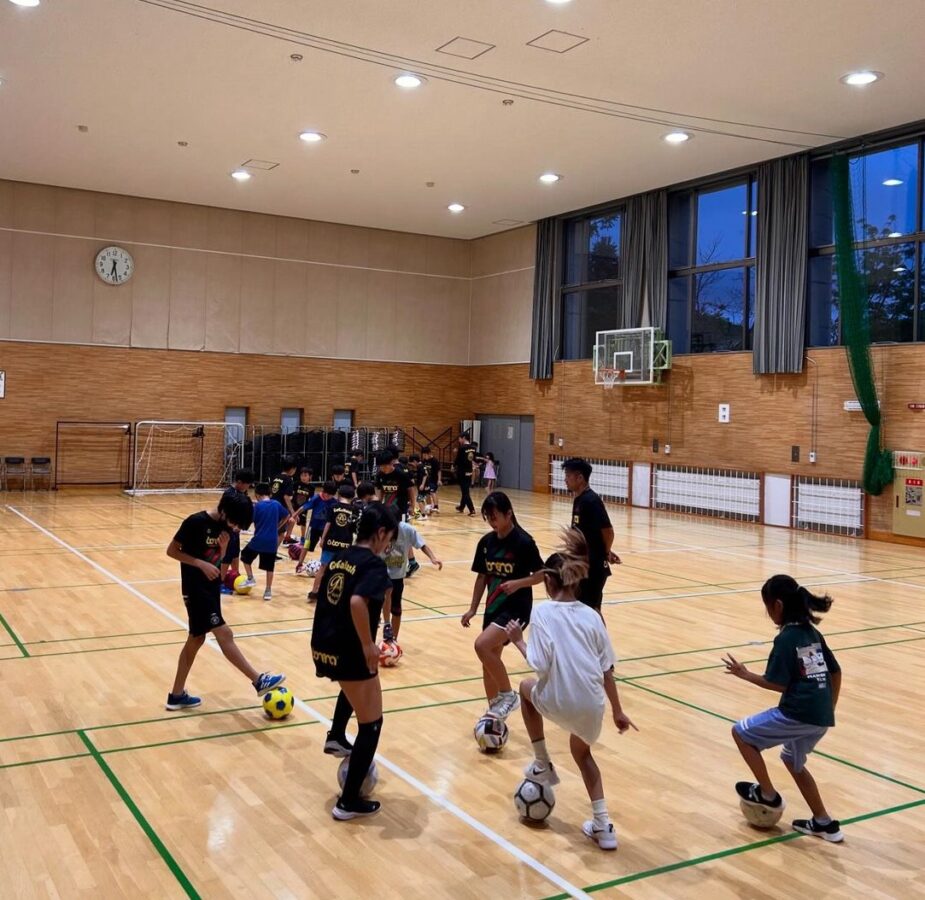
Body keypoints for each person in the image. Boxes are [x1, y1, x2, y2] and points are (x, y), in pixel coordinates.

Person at [504, 529, 637, 851]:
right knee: (583, 754)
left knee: (525, 688)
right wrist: (618, 711)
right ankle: (603, 826)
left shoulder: (542, 612)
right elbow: (607, 669)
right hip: (593, 707)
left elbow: (539, 664)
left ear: (549, 582)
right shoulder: (593, 616)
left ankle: (542, 762)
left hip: (559, 700)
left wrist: (518, 640)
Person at [724, 575, 843, 842]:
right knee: (792, 761)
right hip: (820, 716)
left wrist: (745, 674)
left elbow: (777, 683)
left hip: (798, 713)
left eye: (767, 607)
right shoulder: (811, 633)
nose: (768, 613)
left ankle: (768, 795)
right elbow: (836, 672)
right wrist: (829, 707)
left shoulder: (787, 638)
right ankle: (824, 823)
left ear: (777, 605)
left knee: (740, 733)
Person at [311, 503, 399, 819]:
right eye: (389, 539)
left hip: (323, 645)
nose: (388, 546)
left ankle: (336, 736)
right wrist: (367, 645)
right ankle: (348, 802)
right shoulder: (372, 564)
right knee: (372, 724)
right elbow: (357, 601)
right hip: (349, 649)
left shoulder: (340, 557)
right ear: (380, 533)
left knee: (352, 690)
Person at [165, 491, 284, 710]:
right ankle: (258, 680)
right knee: (224, 633)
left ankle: (176, 695)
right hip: (195, 589)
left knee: (196, 639)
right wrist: (199, 563)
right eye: (235, 522)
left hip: (210, 590)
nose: (236, 527)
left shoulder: (226, 530)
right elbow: (171, 551)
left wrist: (223, 550)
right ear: (224, 511)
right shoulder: (195, 522)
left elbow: (218, 571)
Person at [461, 491, 543, 719]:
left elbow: (542, 575)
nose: (491, 522)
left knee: (481, 646)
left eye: (495, 516)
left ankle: (508, 695)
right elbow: (482, 577)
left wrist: (518, 583)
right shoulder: (486, 543)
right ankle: (495, 713)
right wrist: (473, 608)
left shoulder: (524, 542)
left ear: (509, 514)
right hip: (493, 608)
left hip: (517, 609)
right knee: (489, 662)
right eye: (488, 517)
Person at [562, 458, 621, 611]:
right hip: (582, 564)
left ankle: (599, 629)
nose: (565, 480)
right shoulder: (579, 499)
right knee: (587, 609)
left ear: (580, 478)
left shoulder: (591, 501)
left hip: (593, 567)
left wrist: (604, 553)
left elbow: (608, 532)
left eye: (568, 476)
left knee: (591, 610)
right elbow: (592, 534)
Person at [382, 522, 443, 642]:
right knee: (381, 600)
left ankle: (393, 640)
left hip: (398, 576)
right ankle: (386, 625)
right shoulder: (380, 528)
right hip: (381, 574)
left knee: (396, 609)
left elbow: (422, 544)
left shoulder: (407, 530)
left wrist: (432, 557)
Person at [307, 482, 357, 603]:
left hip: (330, 542)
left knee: (323, 568)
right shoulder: (354, 510)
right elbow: (354, 529)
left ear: (339, 495)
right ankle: (339, 595)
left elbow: (328, 524)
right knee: (343, 570)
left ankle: (314, 592)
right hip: (345, 544)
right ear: (352, 497)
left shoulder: (333, 507)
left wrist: (323, 539)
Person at [240, 483, 291, 601]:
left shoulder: (257, 507)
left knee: (245, 556)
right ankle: (268, 591)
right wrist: (278, 527)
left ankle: (250, 578)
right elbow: (287, 516)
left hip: (259, 539)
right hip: (272, 540)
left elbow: (249, 521)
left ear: (257, 495)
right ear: (270, 494)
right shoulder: (276, 504)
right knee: (269, 567)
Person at [220, 468, 255, 594]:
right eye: (247, 485)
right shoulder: (230, 494)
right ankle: (220, 582)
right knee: (227, 556)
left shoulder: (242, 493)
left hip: (235, 531)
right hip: (227, 530)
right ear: (239, 482)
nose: (248, 487)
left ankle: (235, 576)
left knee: (235, 554)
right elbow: (223, 513)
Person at [294, 480, 337, 570]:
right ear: (323, 491)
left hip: (326, 529)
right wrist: (294, 515)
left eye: (330, 495)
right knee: (306, 545)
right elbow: (303, 507)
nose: (327, 496)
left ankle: (324, 567)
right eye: (326, 494)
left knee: (325, 547)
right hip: (313, 527)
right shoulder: (316, 498)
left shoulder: (334, 502)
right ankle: (300, 563)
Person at [374, 450, 411, 521]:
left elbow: (410, 489)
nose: (382, 468)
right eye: (380, 466)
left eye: (385, 466)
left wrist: (412, 506)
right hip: (388, 507)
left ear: (392, 463)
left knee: (401, 525)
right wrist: (378, 505)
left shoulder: (401, 474)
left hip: (401, 508)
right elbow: (380, 490)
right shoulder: (380, 475)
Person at [285, 466, 316, 544]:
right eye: (301, 475)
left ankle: (303, 538)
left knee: (303, 523)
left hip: (303, 508)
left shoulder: (312, 487)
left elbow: (311, 498)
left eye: (305, 475)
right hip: (294, 506)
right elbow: (291, 495)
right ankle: (287, 537)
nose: (303, 477)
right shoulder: (296, 484)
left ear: (310, 476)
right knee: (291, 521)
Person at [271, 456, 297, 541]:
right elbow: (286, 497)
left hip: (271, 507)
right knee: (280, 534)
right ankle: (272, 549)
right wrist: (292, 512)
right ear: (292, 469)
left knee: (272, 530)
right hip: (280, 509)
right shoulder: (288, 480)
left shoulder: (275, 478)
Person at [454, 433, 476, 515]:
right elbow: (473, 458)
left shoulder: (462, 448)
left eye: (459, 439)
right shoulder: (473, 448)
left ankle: (472, 509)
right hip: (469, 471)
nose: (459, 440)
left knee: (465, 492)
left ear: (463, 438)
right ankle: (461, 507)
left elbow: (458, 460)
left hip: (462, 471)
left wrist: (453, 466)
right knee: (465, 489)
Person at [420, 446, 442, 514]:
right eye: (423, 455)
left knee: (432, 492)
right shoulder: (424, 461)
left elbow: (439, 471)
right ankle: (429, 507)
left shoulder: (434, 460)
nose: (424, 456)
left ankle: (436, 507)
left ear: (429, 453)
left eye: (425, 455)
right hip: (426, 480)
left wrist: (439, 480)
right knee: (427, 494)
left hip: (433, 480)